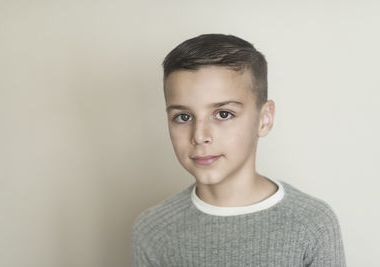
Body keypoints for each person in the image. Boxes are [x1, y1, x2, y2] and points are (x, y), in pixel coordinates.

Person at [130, 33, 346, 266]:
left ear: (264, 119)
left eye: (224, 114)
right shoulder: (152, 231)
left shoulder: (313, 223)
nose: (200, 136)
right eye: (183, 117)